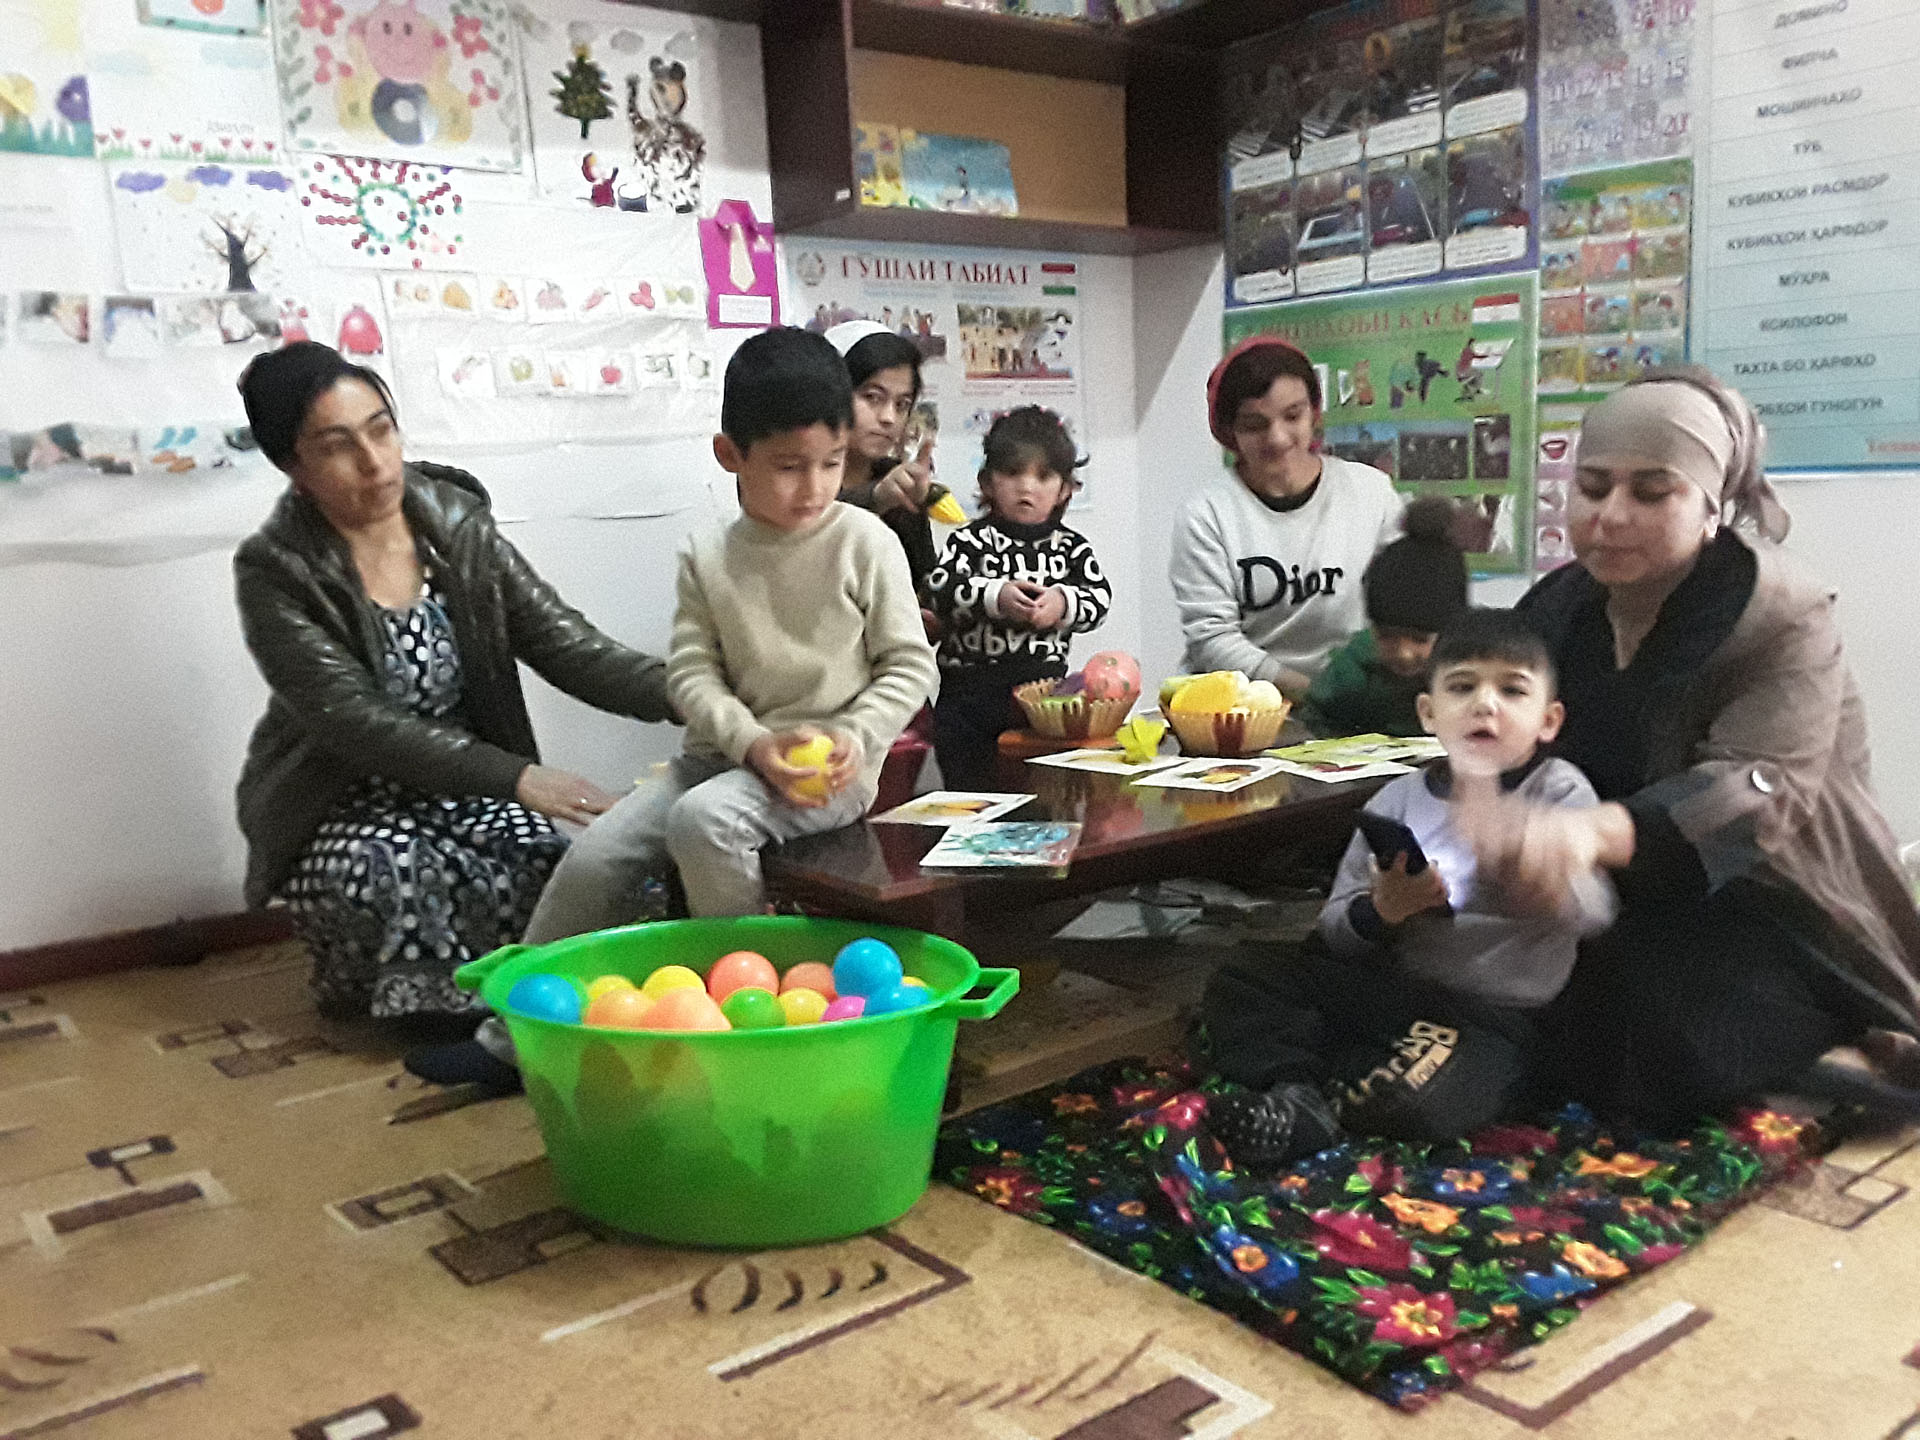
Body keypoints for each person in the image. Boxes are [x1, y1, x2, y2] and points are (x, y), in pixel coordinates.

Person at [1460, 369, 1920, 1124]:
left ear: (1712, 507)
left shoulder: (1780, 615)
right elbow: (1499, 721)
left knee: (1645, 1030)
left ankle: (1845, 1040)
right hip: (1617, 889)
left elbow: (1755, 790)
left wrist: (1582, 834)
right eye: (1593, 486)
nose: (1609, 516)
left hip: (1772, 901)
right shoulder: (1561, 606)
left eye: (1650, 492)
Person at [231, 342, 674, 1025]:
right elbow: (356, 721)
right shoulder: (277, 570)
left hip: (464, 786)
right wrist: (521, 777)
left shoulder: (457, 527)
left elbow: (569, 646)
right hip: (346, 804)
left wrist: (697, 691)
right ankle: (446, 1012)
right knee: (402, 873)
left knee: (576, 860)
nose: (375, 462)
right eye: (337, 446)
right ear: (293, 467)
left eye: (382, 429)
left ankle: (516, 998)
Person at [520, 326, 939, 940]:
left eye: (832, 463)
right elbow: (692, 674)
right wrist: (749, 743)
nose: (815, 486)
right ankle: (504, 1034)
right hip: (718, 760)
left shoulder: (865, 541)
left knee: (704, 823)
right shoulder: (708, 555)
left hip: (828, 774)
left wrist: (853, 733)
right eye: (789, 467)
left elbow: (909, 664)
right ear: (730, 454)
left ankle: (749, 991)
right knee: (594, 855)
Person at [1201, 609, 1615, 1170]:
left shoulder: (1560, 792)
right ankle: (1297, 1092)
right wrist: (1382, 913)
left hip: (1496, 1017)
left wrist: (1536, 875)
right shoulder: (1395, 800)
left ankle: (1330, 1090)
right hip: (1398, 991)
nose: (1485, 705)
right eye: (1463, 687)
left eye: (1512, 691)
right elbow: (1334, 929)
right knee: (1245, 976)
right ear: (1428, 712)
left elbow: (1594, 913)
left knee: (1428, 1099)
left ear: (1549, 720)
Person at [1170, 335, 1403, 702]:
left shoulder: (1371, 492)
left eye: (1293, 416)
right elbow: (1212, 639)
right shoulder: (1208, 514)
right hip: (1240, 706)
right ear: (1230, 432)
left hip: (1353, 696)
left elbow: (1402, 607)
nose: (1277, 438)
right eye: (1254, 424)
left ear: (1314, 413)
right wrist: (1313, 696)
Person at [924, 406, 1111, 790]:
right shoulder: (970, 540)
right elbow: (940, 588)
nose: (1027, 487)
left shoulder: (1072, 548)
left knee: (1043, 801)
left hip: (1045, 703)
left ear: (1064, 490)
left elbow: (1099, 600)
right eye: (1012, 473)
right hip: (967, 701)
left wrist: (1062, 603)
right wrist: (996, 596)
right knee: (970, 803)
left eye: (1043, 476)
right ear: (987, 482)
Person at [1300, 495, 1469, 737]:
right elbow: (1315, 718)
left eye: (1419, 639)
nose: (1403, 652)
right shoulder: (1353, 668)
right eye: (1387, 636)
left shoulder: (1477, 671)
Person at [825, 319, 940, 591]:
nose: (889, 418)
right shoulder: (795, 473)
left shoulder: (899, 482)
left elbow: (924, 580)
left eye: (902, 405)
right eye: (873, 397)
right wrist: (875, 499)